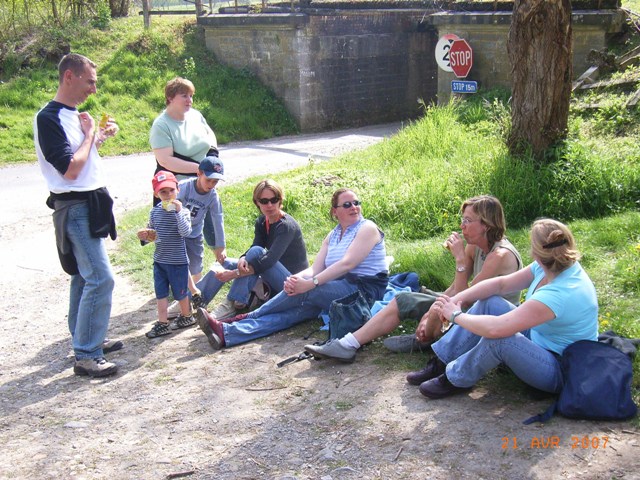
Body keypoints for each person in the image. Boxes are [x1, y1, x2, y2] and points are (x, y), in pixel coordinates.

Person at [304, 195, 522, 363]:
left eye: (468, 220)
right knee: (405, 299)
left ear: (485, 224)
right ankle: (348, 344)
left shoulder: (499, 256)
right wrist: (429, 310)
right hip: (464, 307)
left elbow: (467, 299)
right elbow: (456, 289)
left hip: (486, 318)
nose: (462, 225)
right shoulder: (477, 246)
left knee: (433, 306)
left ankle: (425, 340)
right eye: (462, 219)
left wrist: (459, 260)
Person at [412, 218, 598, 399]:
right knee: (489, 302)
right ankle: (442, 361)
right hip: (540, 340)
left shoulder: (559, 293)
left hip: (561, 370)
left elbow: (497, 329)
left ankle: (456, 378)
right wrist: (458, 298)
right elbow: (500, 285)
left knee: (502, 340)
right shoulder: (551, 264)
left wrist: (455, 315)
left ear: (536, 252)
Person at [196, 188, 389, 350]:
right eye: (347, 204)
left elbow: (347, 264)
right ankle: (227, 333)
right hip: (336, 288)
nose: (354, 207)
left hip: (363, 291)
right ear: (334, 211)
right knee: (290, 316)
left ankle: (244, 317)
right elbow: (316, 268)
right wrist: (295, 281)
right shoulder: (333, 234)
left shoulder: (367, 228)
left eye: (356, 202)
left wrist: (310, 284)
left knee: (307, 292)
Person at [34, 53, 121, 377]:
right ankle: (86, 353)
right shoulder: (48, 118)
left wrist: (97, 137)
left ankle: (85, 338)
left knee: (84, 277)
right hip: (74, 206)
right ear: (69, 76)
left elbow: (81, 158)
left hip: (90, 203)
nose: (93, 90)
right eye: (90, 82)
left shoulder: (74, 115)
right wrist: (88, 137)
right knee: (101, 278)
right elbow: (70, 170)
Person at [195, 179, 309, 320]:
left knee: (255, 254)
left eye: (274, 200)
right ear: (257, 202)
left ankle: (231, 303)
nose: (270, 205)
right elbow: (257, 244)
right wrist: (243, 257)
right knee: (226, 263)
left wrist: (234, 274)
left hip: (291, 283)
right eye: (264, 201)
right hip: (270, 275)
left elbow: (268, 260)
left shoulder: (286, 226)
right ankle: (195, 300)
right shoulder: (262, 221)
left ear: (280, 200)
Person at [149, 77, 223, 276]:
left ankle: (217, 261)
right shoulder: (161, 125)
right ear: (170, 97)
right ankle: (176, 278)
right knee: (178, 236)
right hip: (178, 188)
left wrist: (213, 154)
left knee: (209, 225)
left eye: (191, 95)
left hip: (203, 182)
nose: (189, 100)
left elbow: (210, 135)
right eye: (184, 95)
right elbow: (166, 160)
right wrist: (200, 169)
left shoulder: (196, 116)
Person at [164, 156, 227, 318]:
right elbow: (167, 206)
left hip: (195, 233)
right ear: (199, 173)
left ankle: (193, 298)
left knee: (196, 267)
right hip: (178, 234)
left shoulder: (213, 196)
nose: (211, 185)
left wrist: (220, 246)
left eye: (215, 182)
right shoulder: (184, 188)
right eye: (209, 180)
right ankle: (182, 300)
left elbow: (217, 219)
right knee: (180, 265)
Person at [137, 171, 194, 338]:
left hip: (178, 261)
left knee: (180, 292)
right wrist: (145, 236)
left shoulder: (183, 211)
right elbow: (154, 235)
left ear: (178, 190)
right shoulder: (154, 212)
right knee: (160, 293)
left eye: (171, 191)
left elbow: (185, 232)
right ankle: (162, 322)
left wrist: (177, 212)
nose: (168, 195)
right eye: (163, 192)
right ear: (156, 194)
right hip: (160, 260)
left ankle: (186, 316)